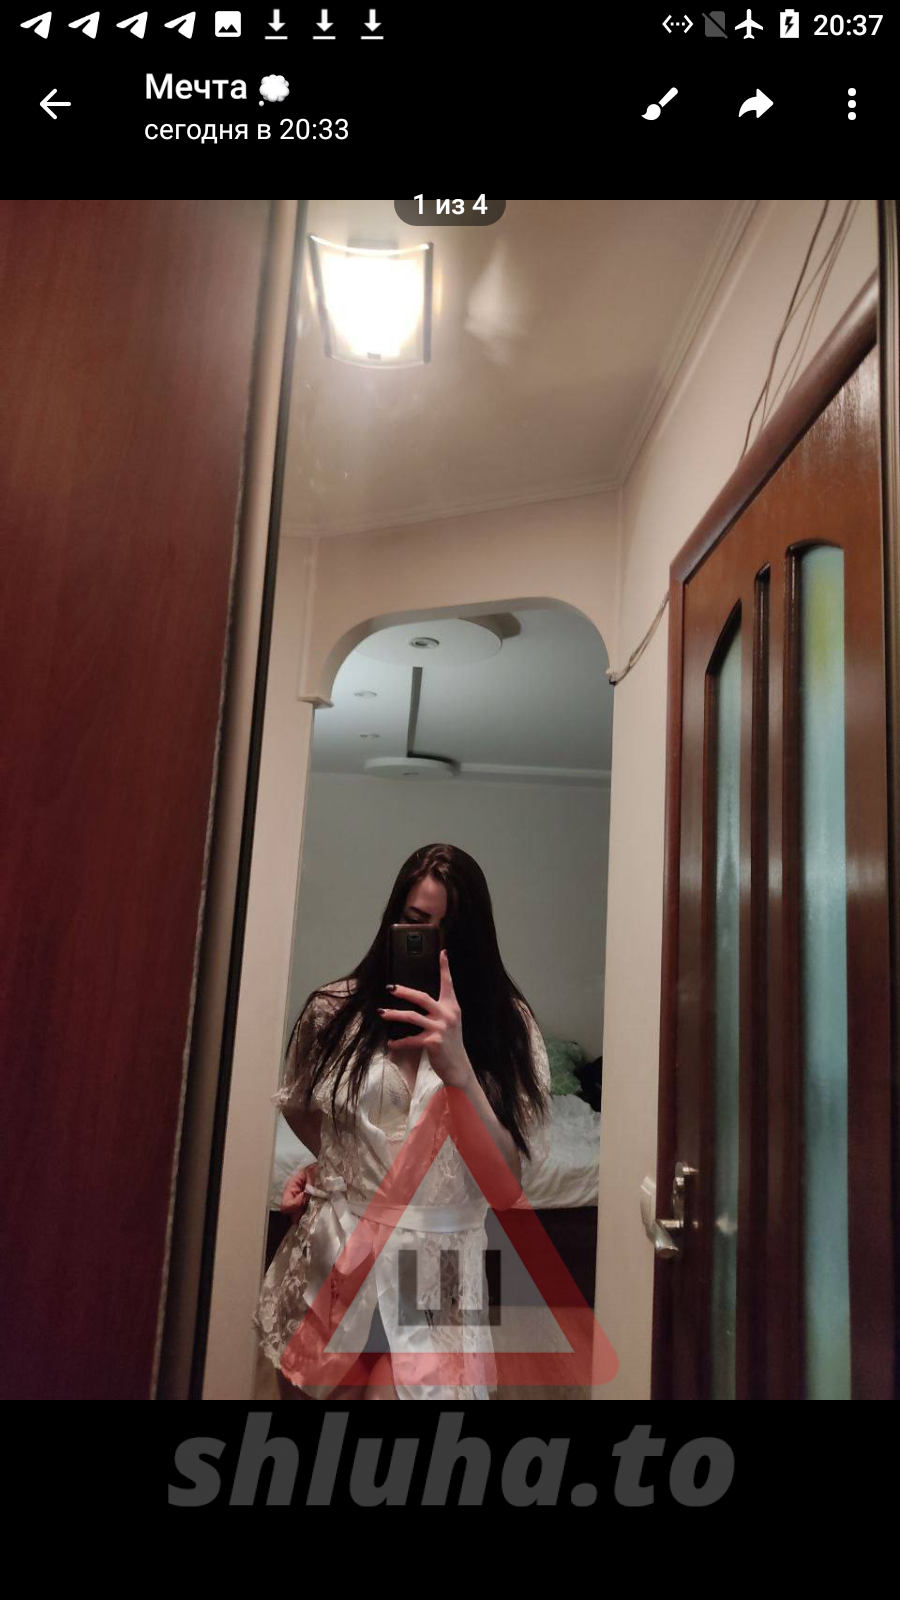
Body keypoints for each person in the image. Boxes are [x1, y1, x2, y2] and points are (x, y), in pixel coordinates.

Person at [253, 843, 553, 1401]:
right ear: (394, 919)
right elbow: (299, 1105)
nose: (433, 944)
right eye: (416, 923)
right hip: (339, 1246)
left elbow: (508, 1183)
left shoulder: (508, 1028)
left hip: (437, 1263)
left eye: (451, 931)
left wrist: (460, 1070)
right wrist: (340, 1163)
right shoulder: (333, 1011)